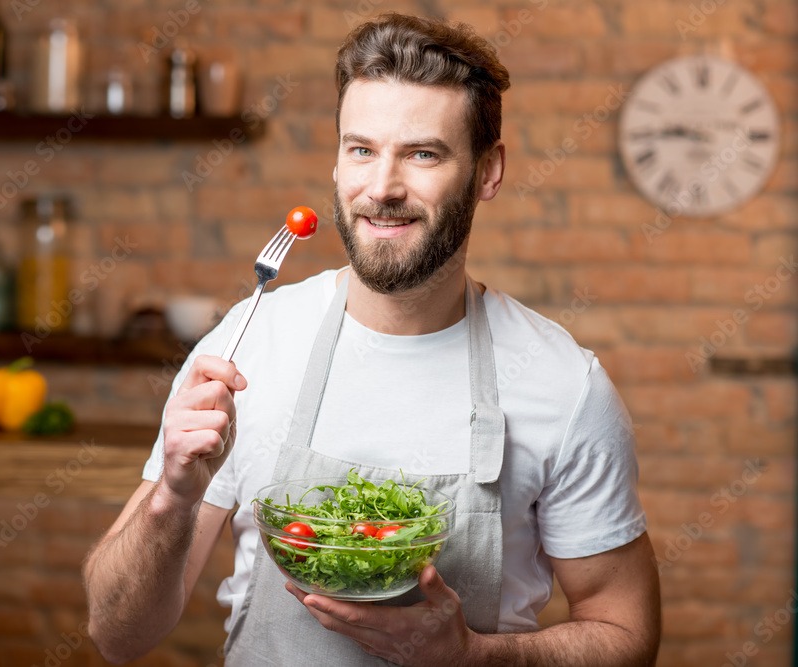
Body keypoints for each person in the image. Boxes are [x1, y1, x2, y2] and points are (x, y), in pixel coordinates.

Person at [84, 13, 660, 666]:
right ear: (335, 161)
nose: (382, 188)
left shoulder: (562, 383)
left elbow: (627, 636)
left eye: (423, 153)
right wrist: (172, 497)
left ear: (488, 171)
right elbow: (116, 633)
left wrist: (471, 655)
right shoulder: (248, 343)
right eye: (361, 149)